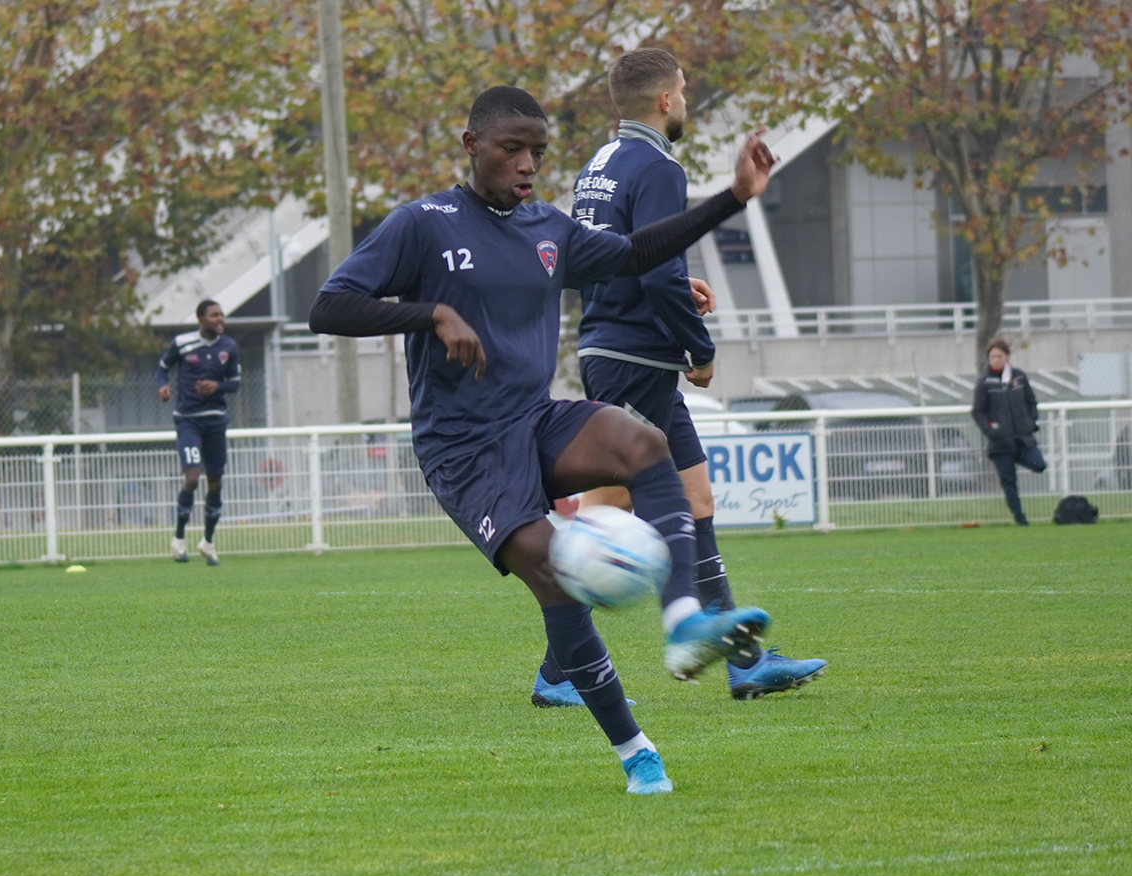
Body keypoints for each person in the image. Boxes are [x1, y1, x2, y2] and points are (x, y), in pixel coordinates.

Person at [309, 85, 776, 795]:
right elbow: (329, 306)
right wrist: (429, 312)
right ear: (472, 147)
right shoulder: (423, 224)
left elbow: (634, 250)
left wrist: (733, 196)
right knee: (559, 582)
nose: (528, 164)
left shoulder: (547, 230)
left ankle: (683, 622)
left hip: (532, 419)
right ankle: (634, 751)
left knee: (642, 445)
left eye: (538, 152)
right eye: (512, 149)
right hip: (463, 452)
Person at [531, 49, 825, 709]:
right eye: (685, 92)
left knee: (695, 504)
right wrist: (699, 346)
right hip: (638, 357)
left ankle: (744, 663)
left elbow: (600, 261)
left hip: (621, 350)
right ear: (666, 101)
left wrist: (664, 290)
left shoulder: (597, 166)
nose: (686, 101)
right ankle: (560, 671)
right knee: (608, 514)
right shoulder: (660, 165)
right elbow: (654, 270)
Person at [156, 300, 240, 564]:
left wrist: (216, 386)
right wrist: (163, 387)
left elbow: (235, 383)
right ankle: (179, 539)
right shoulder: (182, 343)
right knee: (192, 478)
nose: (220, 319)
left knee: (215, 481)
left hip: (215, 420)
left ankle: (208, 542)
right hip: (188, 420)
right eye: (214, 315)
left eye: (221, 315)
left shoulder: (229, 347)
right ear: (201, 319)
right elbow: (162, 368)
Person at [971, 337, 1045, 526]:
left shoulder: (1018, 377)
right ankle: (1020, 518)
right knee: (1009, 481)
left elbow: (1031, 401)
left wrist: (1032, 422)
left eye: (999, 356)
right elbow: (978, 411)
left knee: (1039, 465)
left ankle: (1018, 456)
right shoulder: (985, 382)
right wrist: (990, 430)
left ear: (1007, 357)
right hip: (1000, 443)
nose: (996, 359)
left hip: (1022, 438)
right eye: (992, 356)